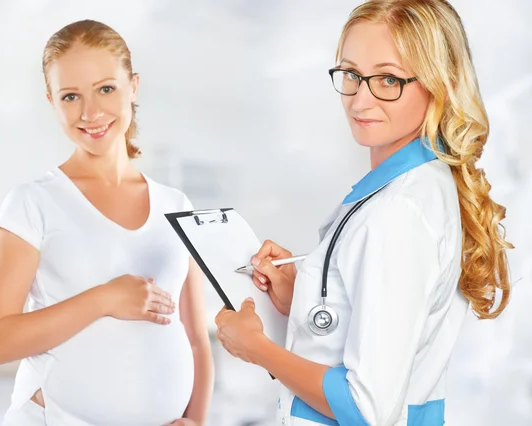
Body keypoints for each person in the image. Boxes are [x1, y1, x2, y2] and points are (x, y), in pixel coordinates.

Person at [214, 1, 513, 425]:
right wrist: (305, 294)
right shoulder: (414, 187)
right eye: (352, 75)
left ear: (438, 85)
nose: (360, 99)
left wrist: (257, 348)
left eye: (388, 79)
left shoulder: (397, 213)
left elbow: (366, 408)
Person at [0, 19, 213, 426]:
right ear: (52, 102)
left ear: (133, 86)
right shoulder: (33, 203)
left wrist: (197, 420)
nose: (91, 112)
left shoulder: (177, 205)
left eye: (106, 88)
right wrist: (104, 299)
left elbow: (195, 341)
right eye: (71, 96)